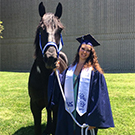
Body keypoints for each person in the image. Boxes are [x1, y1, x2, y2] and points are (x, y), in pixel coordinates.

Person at [50, 34, 114, 135]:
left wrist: (94, 121)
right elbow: (59, 84)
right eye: (82, 48)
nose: (84, 52)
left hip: (84, 113)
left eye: (88, 50)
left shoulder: (94, 73)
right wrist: (56, 72)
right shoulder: (70, 69)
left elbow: (99, 98)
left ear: (91, 53)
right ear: (79, 49)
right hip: (69, 111)